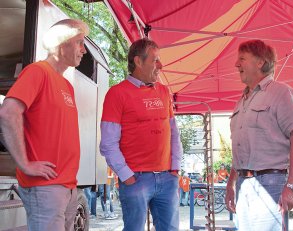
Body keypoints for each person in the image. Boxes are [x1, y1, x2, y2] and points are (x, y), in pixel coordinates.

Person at [0, 19, 88, 231]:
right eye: (79, 43)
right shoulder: (37, 71)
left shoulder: (66, 83)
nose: (83, 50)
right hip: (44, 186)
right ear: (63, 42)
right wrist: (25, 163)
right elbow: (8, 113)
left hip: (66, 185)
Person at [100, 38, 183, 231]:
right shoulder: (117, 93)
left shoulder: (164, 91)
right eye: (155, 60)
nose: (160, 65)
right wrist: (127, 176)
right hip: (136, 179)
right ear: (138, 61)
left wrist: (175, 169)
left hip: (167, 177)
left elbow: (174, 133)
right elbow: (108, 143)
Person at [225, 39, 293, 231]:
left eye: (242, 59)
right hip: (243, 186)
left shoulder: (282, 93)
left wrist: (292, 187)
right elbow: (239, 148)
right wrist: (231, 183)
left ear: (260, 62)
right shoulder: (241, 101)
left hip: (271, 182)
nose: (237, 64)